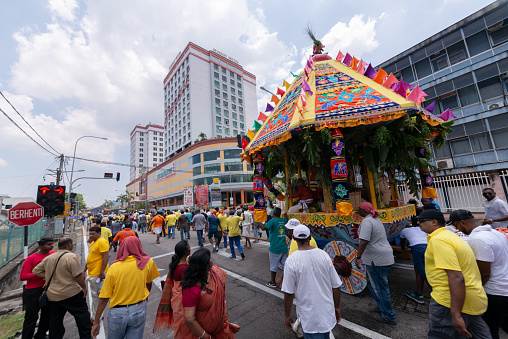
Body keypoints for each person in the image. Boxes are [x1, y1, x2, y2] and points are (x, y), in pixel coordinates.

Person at [417, 209, 489, 339]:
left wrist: (455, 314)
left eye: (421, 221)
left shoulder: (439, 240)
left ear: (434, 222)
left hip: (449, 302)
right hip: (471, 299)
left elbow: (456, 277)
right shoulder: (451, 236)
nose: (418, 223)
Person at [451, 209, 508, 339]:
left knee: (489, 330)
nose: (458, 230)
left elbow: (485, 273)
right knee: (503, 324)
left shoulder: (478, 239)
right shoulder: (495, 233)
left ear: (463, 223)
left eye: (456, 226)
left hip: (496, 292)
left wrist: (477, 288)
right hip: (504, 288)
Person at [91, 237, 159, 339]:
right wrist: (145, 295)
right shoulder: (147, 262)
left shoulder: (114, 267)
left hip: (117, 313)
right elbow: (149, 283)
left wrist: (96, 321)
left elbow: (104, 298)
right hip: (138, 309)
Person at [282, 224, 342, 339]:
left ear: (294, 238)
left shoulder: (291, 260)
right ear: (310, 237)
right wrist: (337, 307)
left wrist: (287, 315)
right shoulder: (324, 255)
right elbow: (335, 285)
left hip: (309, 318)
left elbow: (289, 293)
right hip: (327, 314)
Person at [32, 237, 92, 339]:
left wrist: (48, 276)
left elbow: (36, 271)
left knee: (55, 321)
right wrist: (83, 287)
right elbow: (77, 275)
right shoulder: (71, 257)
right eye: (72, 244)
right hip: (71, 293)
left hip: (53, 295)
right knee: (82, 318)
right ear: (68, 245)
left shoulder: (49, 257)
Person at [181, 248, 239, 338]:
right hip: (203, 334)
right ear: (204, 266)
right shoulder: (191, 290)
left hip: (221, 329)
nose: (211, 258)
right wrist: (207, 337)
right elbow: (189, 320)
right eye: (209, 257)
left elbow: (222, 292)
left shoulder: (213, 272)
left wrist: (224, 309)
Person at [355, 202, 396, 325]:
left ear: (363, 210)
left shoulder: (367, 222)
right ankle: (383, 306)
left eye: (359, 209)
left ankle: (389, 316)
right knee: (372, 283)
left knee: (380, 287)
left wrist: (358, 257)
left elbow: (363, 242)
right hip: (381, 257)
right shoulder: (375, 219)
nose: (358, 212)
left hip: (376, 259)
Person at [20, 237, 55, 339]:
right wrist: (42, 274)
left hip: (48, 288)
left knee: (47, 314)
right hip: (33, 291)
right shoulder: (31, 258)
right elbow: (23, 276)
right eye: (49, 244)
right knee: (31, 316)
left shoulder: (53, 254)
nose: (51, 246)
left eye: (52, 244)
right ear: (41, 246)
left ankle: (41, 334)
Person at [154, 240, 191, 336]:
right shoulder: (184, 268)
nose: (190, 247)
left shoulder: (177, 264)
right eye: (189, 246)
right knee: (184, 328)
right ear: (185, 252)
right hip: (181, 301)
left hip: (176, 299)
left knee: (180, 327)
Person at [276, 218, 318, 288]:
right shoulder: (311, 238)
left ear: (292, 231)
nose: (287, 231)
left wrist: (281, 278)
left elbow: (289, 264)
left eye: (288, 230)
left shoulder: (294, 242)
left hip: (302, 275)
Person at [400, 221, 430, 304]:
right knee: (419, 270)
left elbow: (402, 242)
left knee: (423, 273)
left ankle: (438, 296)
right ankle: (418, 293)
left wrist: (403, 247)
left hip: (418, 249)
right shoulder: (423, 229)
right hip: (429, 248)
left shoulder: (404, 230)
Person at [83, 226, 110, 320]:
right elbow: (90, 256)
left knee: (96, 296)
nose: (91, 235)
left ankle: (95, 317)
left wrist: (102, 272)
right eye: (90, 233)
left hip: (97, 274)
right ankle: (98, 315)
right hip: (92, 272)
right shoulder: (93, 242)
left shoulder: (102, 242)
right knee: (96, 295)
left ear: (99, 233)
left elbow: (106, 256)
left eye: (93, 234)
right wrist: (84, 271)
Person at [260, 207, 288, 287]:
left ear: (273, 214)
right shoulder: (284, 220)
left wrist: (257, 221)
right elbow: (285, 221)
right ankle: (288, 282)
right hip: (284, 247)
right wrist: (285, 216)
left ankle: (273, 282)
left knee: (273, 267)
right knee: (286, 267)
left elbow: (263, 228)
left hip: (275, 248)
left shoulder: (272, 221)